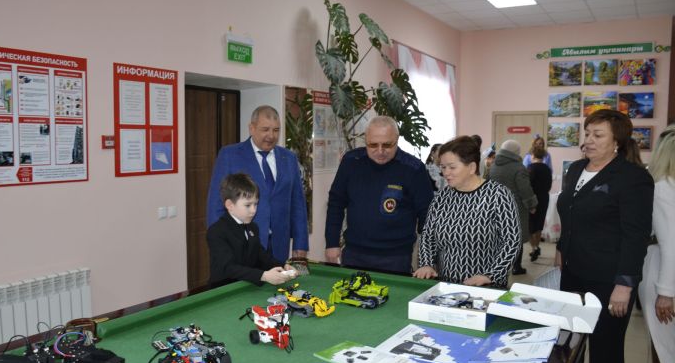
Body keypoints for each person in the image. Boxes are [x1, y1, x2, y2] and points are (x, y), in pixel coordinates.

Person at [556, 109, 654, 363]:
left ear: (617, 142)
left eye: (598, 135)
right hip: (574, 273)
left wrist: (625, 284)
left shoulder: (633, 178)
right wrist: (561, 251)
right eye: (587, 133)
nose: (588, 141)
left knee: (605, 354)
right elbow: (569, 216)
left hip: (608, 281)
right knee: (570, 340)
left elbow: (635, 235)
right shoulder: (576, 170)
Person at [325, 116, 433, 274]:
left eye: (387, 145)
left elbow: (427, 218)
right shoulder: (351, 161)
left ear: (397, 140)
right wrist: (332, 243)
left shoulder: (414, 169)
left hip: (396, 257)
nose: (380, 151)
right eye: (373, 145)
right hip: (355, 254)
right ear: (365, 140)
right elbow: (336, 203)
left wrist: (427, 260)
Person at [414, 136, 520, 288]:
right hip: (446, 285)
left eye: (451, 167)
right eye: (443, 167)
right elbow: (428, 236)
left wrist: (491, 275)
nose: (445, 173)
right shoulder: (442, 197)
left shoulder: (498, 195)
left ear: (471, 167)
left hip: (486, 286)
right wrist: (426, 264)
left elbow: (512, 242)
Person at [206, 105, 308, 263]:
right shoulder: (230, 155)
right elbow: (216, 205)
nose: (271, 136)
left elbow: (298, 205)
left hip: (279, 247)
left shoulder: (288, 158)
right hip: (240, 247)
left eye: (276, 130)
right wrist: (221, 245)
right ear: (251, 128)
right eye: (265, 129)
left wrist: (300, 244)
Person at [639, 125, 675, 363]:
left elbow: (670, 241)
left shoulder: (663, 186)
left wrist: (666, 291)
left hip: (664, 271)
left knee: (664, 341)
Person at [207, 173, 296, 286]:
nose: (253, 210)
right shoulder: (216, 231)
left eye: (256, 204)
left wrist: (282, 266)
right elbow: (228, 268)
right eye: (248, 205)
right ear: (230, 205)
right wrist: (263, 275)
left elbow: (261, 256)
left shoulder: (253, 227)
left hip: (245, 286)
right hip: (222, 290)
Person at [488, 140, 538, 275]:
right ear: (516, 152)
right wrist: (532, 205)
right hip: (515, 208)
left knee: (499, 236)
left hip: (494, 206)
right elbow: (525, 190)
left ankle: (498, 265)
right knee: (517, 237)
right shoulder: (518, 167)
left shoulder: (493, 165)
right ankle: (517, 267)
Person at [527, 146, 552, 262]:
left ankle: (534, 248)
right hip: (544, 198)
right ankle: (536, 247)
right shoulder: (547, 169)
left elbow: (528, 186)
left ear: (533, 155)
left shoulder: (530, 168)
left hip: (533, 199)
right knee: (539, 224)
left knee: (530, 225)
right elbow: (549, 186)